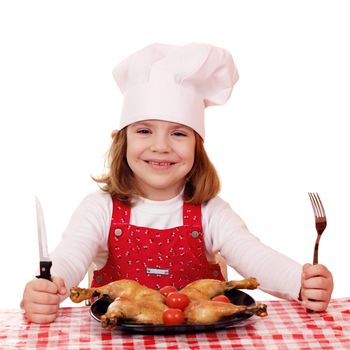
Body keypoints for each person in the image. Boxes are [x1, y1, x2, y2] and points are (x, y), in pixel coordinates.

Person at [22, 43, 333, 324]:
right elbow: (71, 255)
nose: (161, 146)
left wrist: (301, 282)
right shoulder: (99, 209)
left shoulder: (212, 212)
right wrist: (48, 289)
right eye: (144, 131)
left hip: (203, 343)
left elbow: (254, 256)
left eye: (179, 133)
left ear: (198, 147)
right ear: (121, 141)